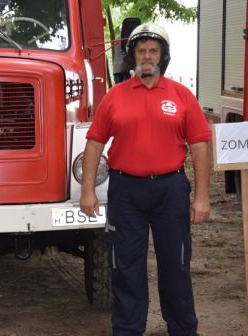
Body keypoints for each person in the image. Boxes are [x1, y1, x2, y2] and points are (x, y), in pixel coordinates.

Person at [79, 23, 212, 336]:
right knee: (125, 266)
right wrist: (87, 191)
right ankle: (127, 329)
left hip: (171, 190)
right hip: (126, 191)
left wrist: (202, 196)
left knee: (176, 264)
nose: (147, 56)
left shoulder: (181, 96)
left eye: (153, 51)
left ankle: (183, 329)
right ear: (133, 56)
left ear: (163, 56)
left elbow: (199, 146)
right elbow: (95, 143)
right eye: (141, 51)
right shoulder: (115, 96)